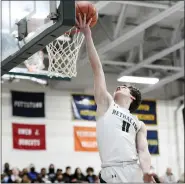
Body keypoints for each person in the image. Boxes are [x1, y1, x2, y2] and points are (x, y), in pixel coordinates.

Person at [76, 14, 155, 183]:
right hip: (111, 171)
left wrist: (148, 171)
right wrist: (88, 35)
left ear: (132, 97)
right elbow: (97, 69)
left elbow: (143, 150)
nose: (119, 87)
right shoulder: (106, 104)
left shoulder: (139, 124)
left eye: (125, 87)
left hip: (134, 170)